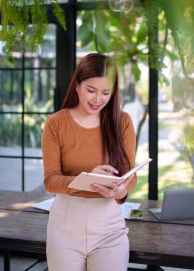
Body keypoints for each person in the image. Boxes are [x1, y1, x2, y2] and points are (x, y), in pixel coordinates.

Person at [41, 52, 137, 271]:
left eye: (105, 93)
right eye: (91, 90)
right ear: (77, 86)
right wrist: (86, 179)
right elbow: (50, 180)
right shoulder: (56, 123)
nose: (97, 99)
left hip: (109, 227)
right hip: (65, 228)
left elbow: (130, 175)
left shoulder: (122, 122)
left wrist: (120, 191)